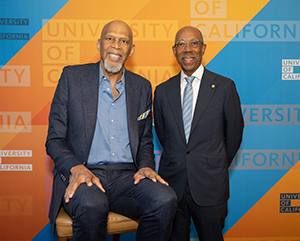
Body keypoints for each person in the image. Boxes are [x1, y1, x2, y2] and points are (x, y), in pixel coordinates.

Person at [46, 20, 177, 241]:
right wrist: (75, 168)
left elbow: (145, 140)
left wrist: (145, 166)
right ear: (99, 44)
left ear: (131, 49)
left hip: (126, 177)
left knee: (164, 199)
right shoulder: (72, 78)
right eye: (110, 38)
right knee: (92, 204)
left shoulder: (142, 86)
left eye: (124, 41)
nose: (116, 45)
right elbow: (54, 140)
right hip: (86, 174)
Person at [153, 26, 244, 241]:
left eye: (193, 43)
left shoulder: (224, 87)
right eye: (181, 44)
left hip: (210, 185)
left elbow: (234, 134)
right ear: (174, 50)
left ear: (203, 48)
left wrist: (214, 163)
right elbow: (164, 134)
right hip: (172, 185)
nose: (188, 49)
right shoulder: (162, 90)